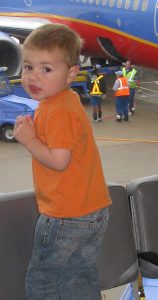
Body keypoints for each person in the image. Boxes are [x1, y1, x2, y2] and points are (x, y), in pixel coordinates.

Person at [13, 23, 112, 300]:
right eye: (28, 67)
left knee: (43, 278)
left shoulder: (58, 110)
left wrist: (30, 139)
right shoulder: (65, 101)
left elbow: (59, 161)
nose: (34, 77)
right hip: (92, 209)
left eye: (46, 69)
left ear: (71, 74)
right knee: (78, 275)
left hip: (67, 214)